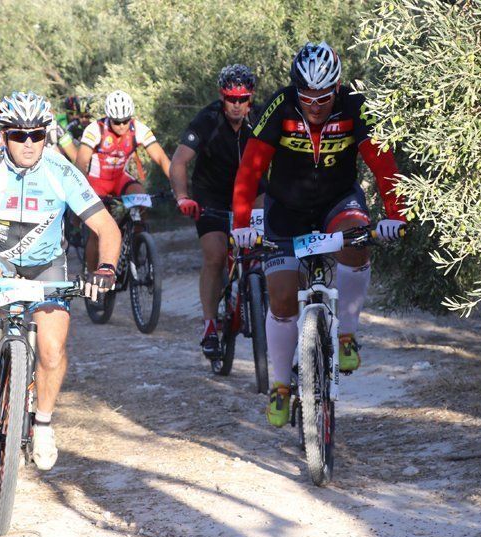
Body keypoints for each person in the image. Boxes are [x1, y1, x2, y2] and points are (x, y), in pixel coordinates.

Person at [0, 91, 122, 470]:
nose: (29, 143)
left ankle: (43, 423)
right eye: (19, 135)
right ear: (4, 136)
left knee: (51, 347)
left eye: (37, 135)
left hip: (47, 263)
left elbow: (106, 228)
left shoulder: (63, 171)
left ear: (47, 135)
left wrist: (106, 269)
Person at [230, 42, 406, 427]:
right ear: (296, 89)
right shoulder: (281, 106)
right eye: (306, 96)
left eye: (324, 97)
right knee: (280, 300)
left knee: (357, 242)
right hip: (286, 210)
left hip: (337, 202)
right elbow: (250, 170)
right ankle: (280, 385)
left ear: (338, 87)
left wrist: (395, 214)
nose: (314, 105)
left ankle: (346, 335)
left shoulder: (355, 106)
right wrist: (242, 224)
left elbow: (383, 163)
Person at [169, 64, 265, 358]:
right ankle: (210, 325)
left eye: (243, 99)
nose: (237, 106)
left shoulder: (261, 118)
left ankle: (263, 300)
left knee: (263, 251)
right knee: (215, 255)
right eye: (230, 99)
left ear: (251, 98)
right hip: (212, 197)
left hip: (253, 193)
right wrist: (183, 197)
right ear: (222, 97)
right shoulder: (207, 120)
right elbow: (179, 162)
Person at [75, 90, 171, 272]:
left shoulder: (139, 129)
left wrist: (177, 185)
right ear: (109, 117)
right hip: (97, 182)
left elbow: (161, 158)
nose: (121, 125)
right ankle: (91, 273)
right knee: (97, 232)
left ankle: (137, 243)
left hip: (120, 178)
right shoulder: (95, 129)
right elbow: (81, 163)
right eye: (116, 122)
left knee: (142, 198)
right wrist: (78, 192)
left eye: (125, 121)